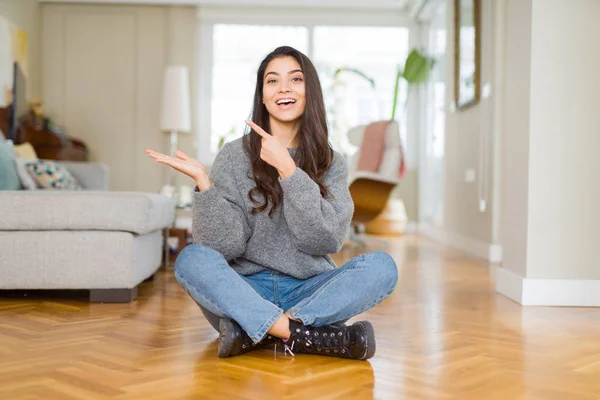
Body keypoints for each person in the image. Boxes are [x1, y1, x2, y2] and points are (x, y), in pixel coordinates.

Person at [146, 46, 398, 360]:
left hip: (311, 290)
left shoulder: (331, 162)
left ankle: (254, 333)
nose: (284, 89)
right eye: (272, 81)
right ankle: (303, 336)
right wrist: (205, 184)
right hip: (245, 290)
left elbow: (325, 240)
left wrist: (289, 171)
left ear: (310, 93)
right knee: (191, 259)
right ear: (262, 96)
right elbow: (224, 247)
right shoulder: (233, 156)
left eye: (295, 79)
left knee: (382, 268)